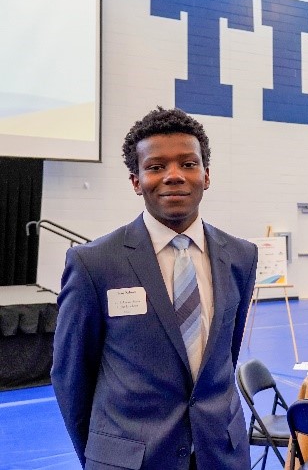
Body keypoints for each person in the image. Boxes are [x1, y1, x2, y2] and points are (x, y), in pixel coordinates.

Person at [51, 107, 258, 470]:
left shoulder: (240, 255)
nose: (174, 176)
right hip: (132, 461)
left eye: (188, 164)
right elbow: (71, 375)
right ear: (136, 181)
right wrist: (106, 454)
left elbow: (225, 353)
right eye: (156, 167)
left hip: (221, 454)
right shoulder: (94, 263)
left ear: (206, 176)